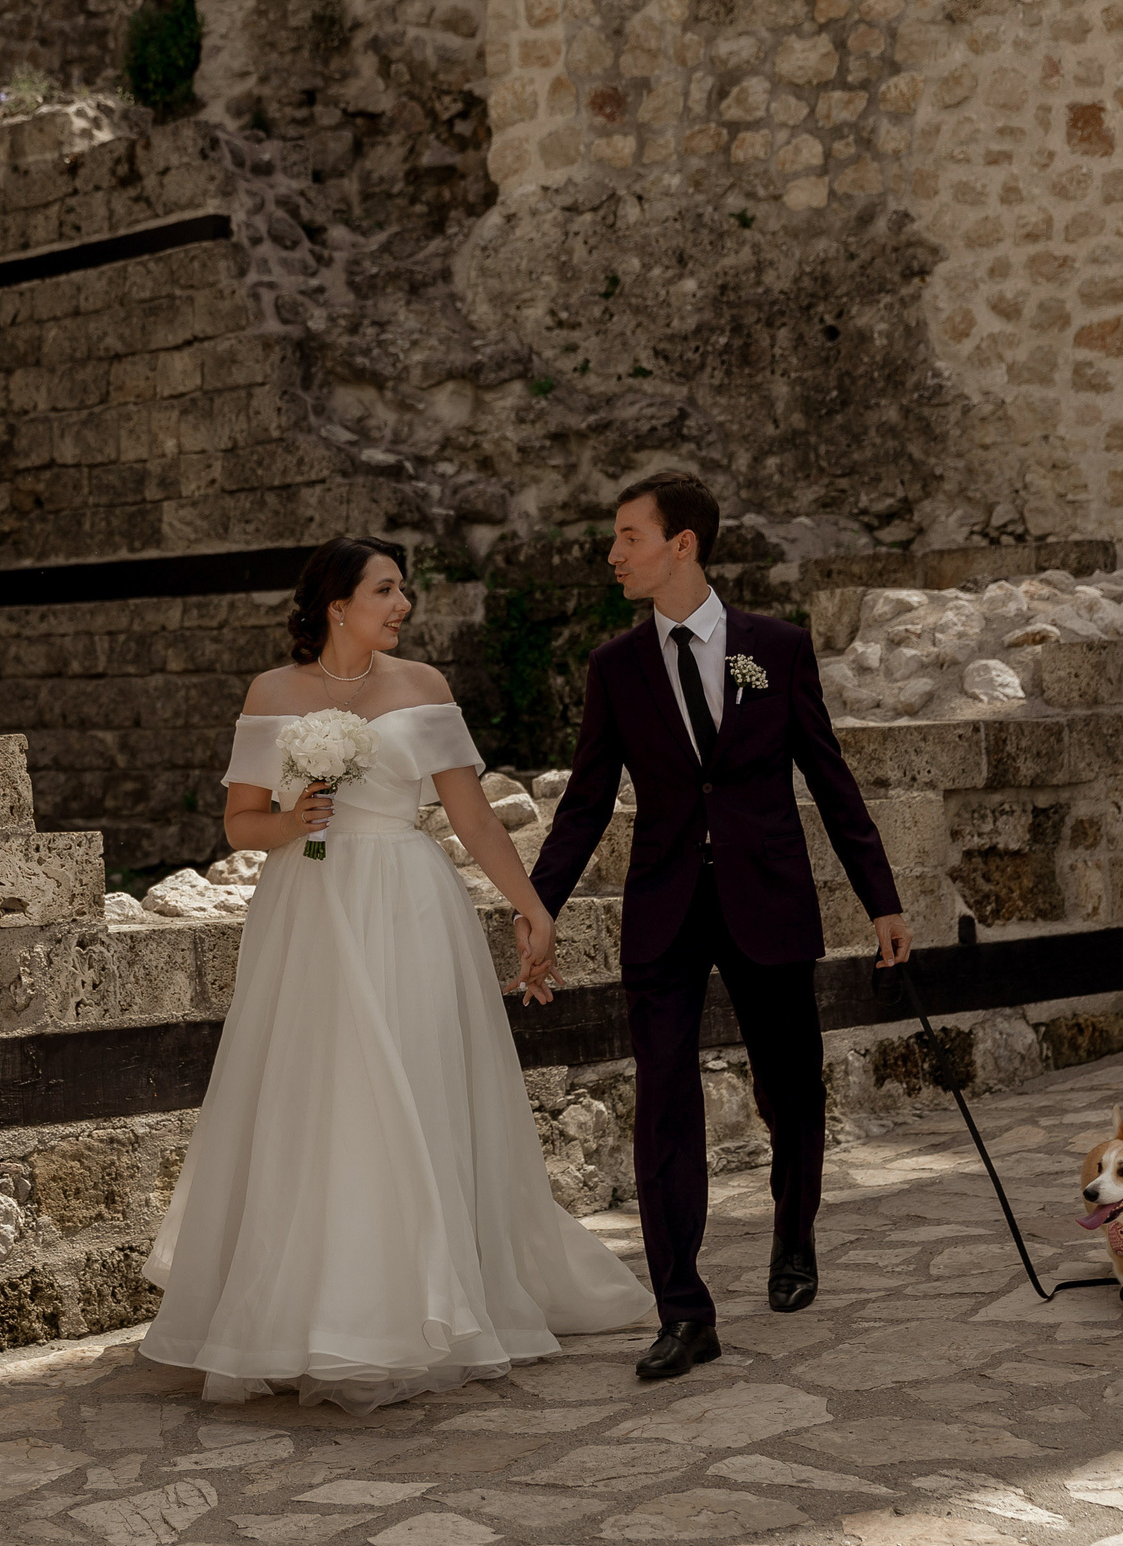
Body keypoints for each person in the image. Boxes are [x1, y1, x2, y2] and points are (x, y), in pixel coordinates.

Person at [139, 537, 655, 1411]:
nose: (403, 604)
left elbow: (476, 820)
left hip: (411, 906)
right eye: (386, 589)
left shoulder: (424, 686)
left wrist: (533, 908)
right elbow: (240, 823)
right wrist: (294, 821)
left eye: (402, 589)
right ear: (337, 604)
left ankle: (426, 1299)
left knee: (413, 1084)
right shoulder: (272, 693)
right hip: (309, 910)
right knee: (321, 1092)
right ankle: (310, 1307)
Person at [524, 471, 910, 1382]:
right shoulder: (615, 667)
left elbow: (829, 778)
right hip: (663, 910)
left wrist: (882, 898)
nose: (613, 554)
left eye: (628, 536)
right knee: (663, 1104)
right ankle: (684, 1310)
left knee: (791, 1088)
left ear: (682, 543)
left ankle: (794, 1235)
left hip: (767, 900)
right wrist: (539, 907)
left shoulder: (776, 648)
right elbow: (585, 803)